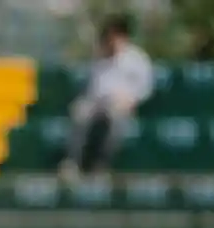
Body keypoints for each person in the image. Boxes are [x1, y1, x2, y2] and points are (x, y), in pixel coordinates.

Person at [60, 15, 153, 177]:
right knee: (79, 112)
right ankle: (72, 162)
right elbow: (93, 86)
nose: (111, 41)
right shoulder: (99, 58)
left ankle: (101, 165)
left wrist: (131, 100)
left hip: (122, 104)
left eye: (114, 36)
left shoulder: (137, 59)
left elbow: (146, 87)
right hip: (97, 102)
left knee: (116, 118)